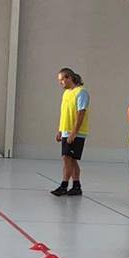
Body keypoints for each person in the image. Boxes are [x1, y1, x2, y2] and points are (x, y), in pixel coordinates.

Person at [50, 68, 90, 196]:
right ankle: (76, 186)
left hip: (76, 132)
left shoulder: (81, 92)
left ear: (69, 78)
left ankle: (64, 185)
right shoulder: (66, 93)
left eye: (62, 79)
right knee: (71, 160)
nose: (60, 83)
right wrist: (60, 130)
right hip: (66, 131)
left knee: (67, 158)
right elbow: (64, 114)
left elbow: (81, 113)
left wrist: (74, 132)